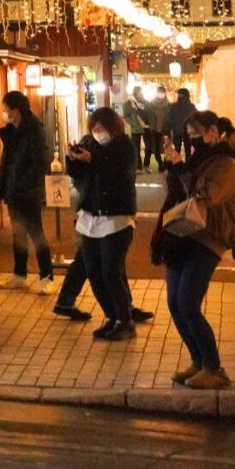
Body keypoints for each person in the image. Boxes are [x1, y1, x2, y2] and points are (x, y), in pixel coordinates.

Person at [153, 110, 235, 389]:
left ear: (212, 132)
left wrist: (182, 167)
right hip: (181, 236)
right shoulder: (199, 159)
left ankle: (214, 368)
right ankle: (198, 361)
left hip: (207, 238)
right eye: (189, 134)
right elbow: (180, 191)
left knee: (187, 302)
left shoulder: (227, 164)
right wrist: (174, 166)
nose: (192, 139)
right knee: (174, 302)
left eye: (196, 133)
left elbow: (206, 196)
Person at [64, 108, 140, 340]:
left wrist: (93, 159)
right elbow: (79, 175)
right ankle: (111, 316)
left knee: (111, 272)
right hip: (90, 217)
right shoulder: (89, 143)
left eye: (101, 129)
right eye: (94, 129)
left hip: (116, 218)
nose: (97, 134)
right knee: (93, 271)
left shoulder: (124, 146)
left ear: (112, 127)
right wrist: (72, 159)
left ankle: (125, 321)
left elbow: (119, 175)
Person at [0, 91, 55, 294]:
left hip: (28, 192)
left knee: (35, 232)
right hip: (13, 192)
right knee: (18, 233)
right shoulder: (12, 130)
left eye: (6, 109)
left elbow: (40, 163)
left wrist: (21, 184)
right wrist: (3, 186)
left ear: (16, 109)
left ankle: (47, 276)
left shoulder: (34, 130)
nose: (4, 113)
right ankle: (19, 274)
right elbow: (8, 162)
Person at [166, 87, 198, 163]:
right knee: (188, 150)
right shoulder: (191, 106)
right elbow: (195, 118)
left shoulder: (173, 106)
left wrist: (171, 128)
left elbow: (170, 119)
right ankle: (188, 165)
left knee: (177, 149)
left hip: (177, 131)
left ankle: (176, 164)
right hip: (188, 131)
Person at [120, 86, 146, 170]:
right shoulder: (128, 103)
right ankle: (138, 165)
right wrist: (132, 123)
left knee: (148, 147)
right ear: (135, 93)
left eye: (141, 92)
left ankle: (146, 164)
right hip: (135, 128)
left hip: (146, 127)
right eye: (140, 93)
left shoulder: (145, 102)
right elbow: (125, 115)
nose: (141, 94)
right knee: (136, 148)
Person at [148, 86, 171, 168]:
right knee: (156, 148)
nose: (161, 94)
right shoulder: (151, 103)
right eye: (159, 92)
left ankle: (165, 163)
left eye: (162, 92)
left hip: (165, 129)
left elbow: (170, 117)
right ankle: (160, 163)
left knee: (166, 147)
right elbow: (149, 116)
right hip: (154, 129)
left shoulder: (168, 104)